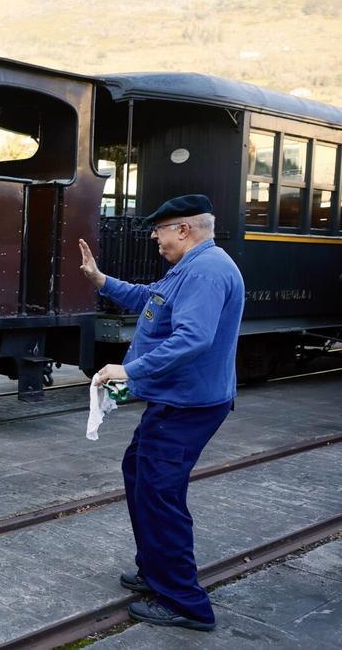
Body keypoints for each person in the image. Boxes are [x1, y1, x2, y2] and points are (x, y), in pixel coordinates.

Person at [78, 193, 244, 632]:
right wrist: (101, 280)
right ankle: (156, 569)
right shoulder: (191, 267)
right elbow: (151, 300)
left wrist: (129, 369)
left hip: (187, 405)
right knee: (140, 473)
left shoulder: (206, 271)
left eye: (160, 229)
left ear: (184, 229)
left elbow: (193, 338)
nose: (155, 237)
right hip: (177, 401)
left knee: (160, 495)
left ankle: (184, 601)